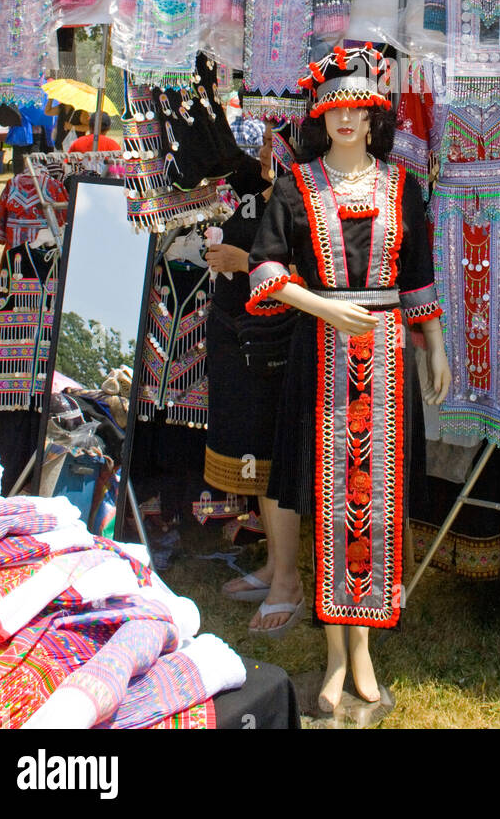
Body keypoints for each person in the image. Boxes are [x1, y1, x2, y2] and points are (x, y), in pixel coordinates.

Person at [246, 45, 450, 712]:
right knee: (334, 504)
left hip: (389, 361)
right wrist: (323, 304)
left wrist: (435, 346)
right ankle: (336, 656)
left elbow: (417, 275)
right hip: (322, 358)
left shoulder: (402, 186)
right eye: (332, 108)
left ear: (372, 116)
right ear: (320, 116)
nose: (344, 120)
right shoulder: (295, 184)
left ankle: (364, 653)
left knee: (378, 507)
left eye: (356, 109)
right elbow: (266, 271)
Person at [202, 128, 304, 637]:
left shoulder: (300, 196)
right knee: (260, 462)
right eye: (261, 137)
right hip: (241, 337)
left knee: (274, 457)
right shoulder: (252, 187)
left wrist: (242, 262)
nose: (265, 150)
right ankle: (274, 568)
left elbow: (306, 274)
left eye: (274, 138)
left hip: (277, 345)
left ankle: (289, 582)